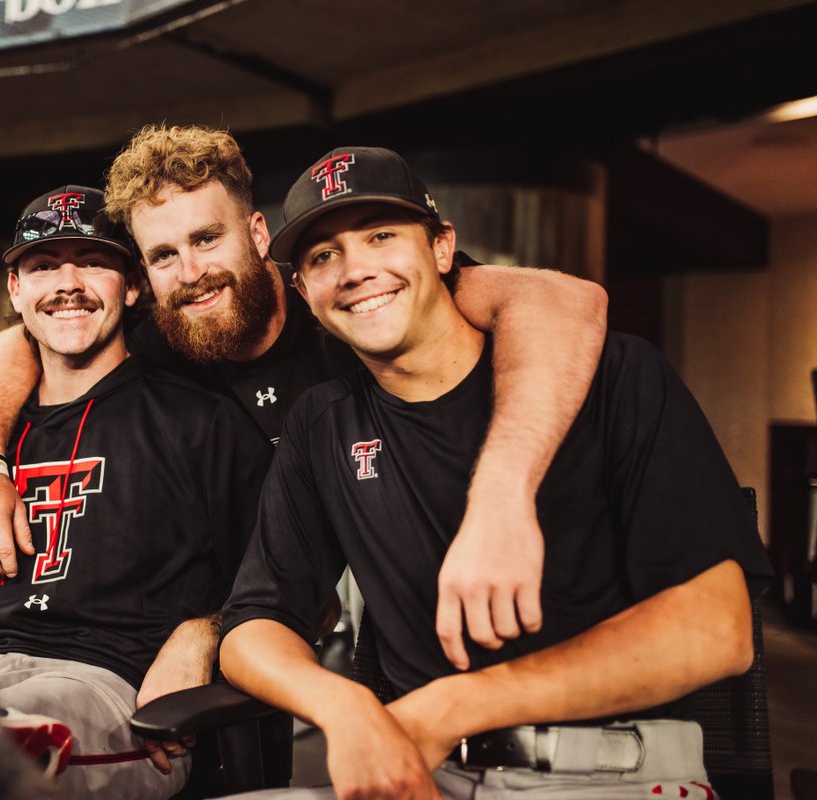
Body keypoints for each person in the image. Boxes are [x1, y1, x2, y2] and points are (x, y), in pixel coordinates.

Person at [218, 147, 774, 799]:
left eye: (382, 235)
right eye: (322, 256)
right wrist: (346, 709)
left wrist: (449, 708)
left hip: (615, 774)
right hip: (430, 774)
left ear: (444, 249)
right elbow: (254, 622)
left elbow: (717, 632)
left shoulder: (615, 376)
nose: (355, 270)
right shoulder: (323, 423)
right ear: (305, 292)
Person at [0, 125, 610, 664]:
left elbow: (565, 301)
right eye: (164, 254)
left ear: (259, 235)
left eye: (208, 238)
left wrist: (503, 496)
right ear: (143, 274)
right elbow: (21, 343)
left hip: (431, 574)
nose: (192, 273)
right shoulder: (160, 333)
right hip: (270, 594)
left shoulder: (348, 296)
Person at [0, 186, 273, 800]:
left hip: (107, 686)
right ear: (16, 291)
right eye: (43, 267)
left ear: (133, 285)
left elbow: (281, 590)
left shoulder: (202, 421)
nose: (68, 284)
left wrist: (207, 630)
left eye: (92, 262)